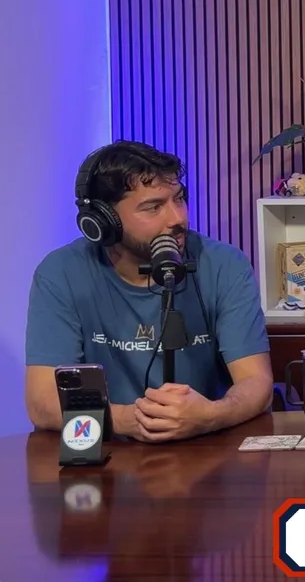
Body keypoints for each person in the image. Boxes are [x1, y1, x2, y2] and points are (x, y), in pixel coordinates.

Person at [25, 142, 273, 442]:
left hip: (207, 446)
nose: (177, 218)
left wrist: (211, 415)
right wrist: (132, 419)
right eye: (153, 207)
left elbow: (256, 383)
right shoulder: (60, 273)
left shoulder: (224, 264)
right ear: (104, 221)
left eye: (179, 199)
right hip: (111, 451)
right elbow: (43, 402)